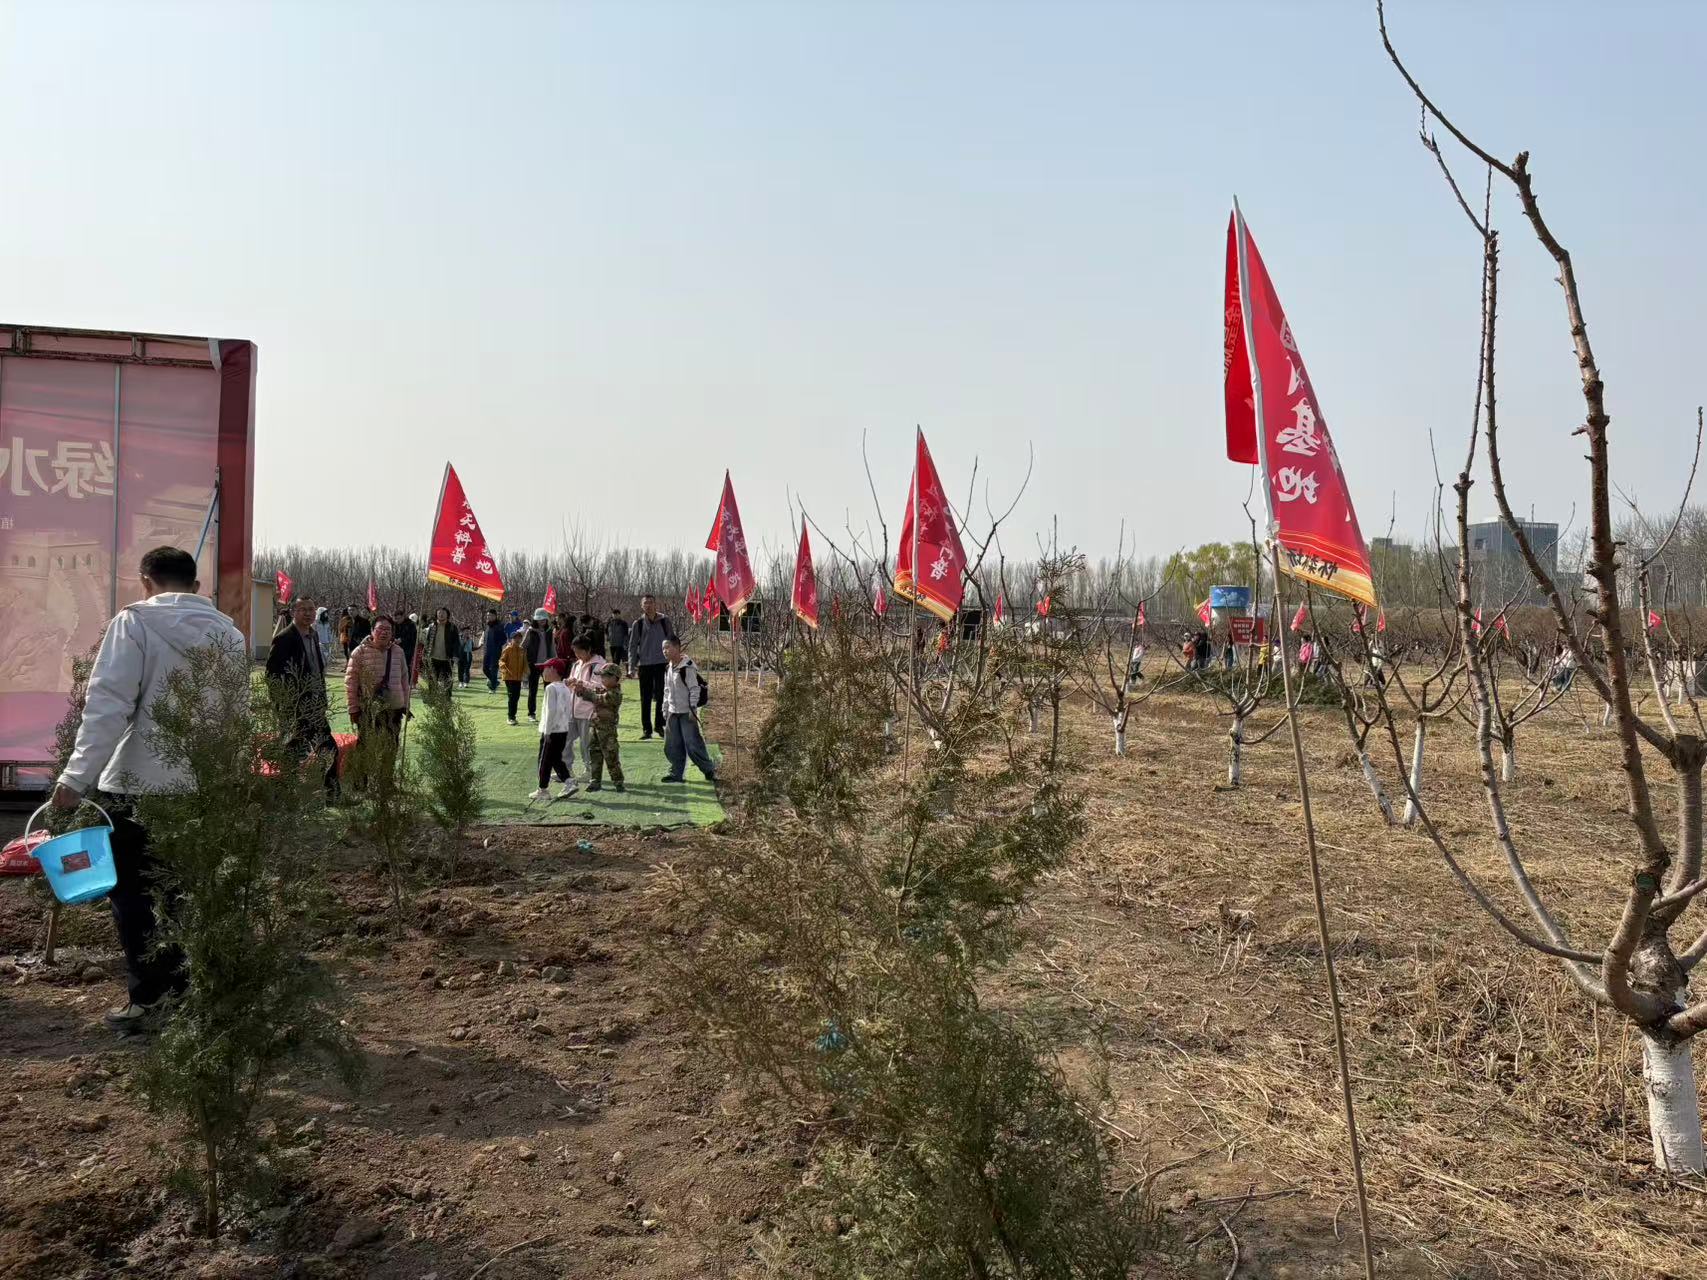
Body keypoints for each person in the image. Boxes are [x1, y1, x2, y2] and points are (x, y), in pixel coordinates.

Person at [52, 545, 247, 1033]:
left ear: (145, 581)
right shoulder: (229, 635)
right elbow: (235, 717)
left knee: (136, 897)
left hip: (139, 786)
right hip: (204, 785)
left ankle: (149, 999)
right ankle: (190, 994)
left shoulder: (134, 623)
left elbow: (108, 705)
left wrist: (75, 777)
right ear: (196, 586)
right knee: (189, 892)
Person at [265, 596, 338, 798]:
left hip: (315, 706)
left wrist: (322, 700)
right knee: (294, 752)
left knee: (328, 749)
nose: (308, 613)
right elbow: (272, 675)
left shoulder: (313, 635)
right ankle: (286, 794)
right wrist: (285, 705)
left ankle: (331, 794)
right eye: (303, 609)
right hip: (296, 708)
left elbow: (317, 671)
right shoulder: (284, 638)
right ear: (293, 612)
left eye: (311, 609)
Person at [345, 615, 412, 750]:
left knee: (390, 748)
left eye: (388, 629)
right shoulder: (360, 652)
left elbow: (404, 680)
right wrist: (353, 708)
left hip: (393, 709)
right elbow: (351, 683)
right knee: (367, 749)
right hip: (368, 709)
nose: (384, 632)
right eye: (380, 629)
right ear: (372, 630)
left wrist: (405, 704)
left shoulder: (398, 652)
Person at [660, 636, 717, 784]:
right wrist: (665, 708)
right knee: (672, 744)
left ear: (677, 647)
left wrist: (693, 708)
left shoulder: (687, 667)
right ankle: (676, 773)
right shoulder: (668, 668)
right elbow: (667, 690)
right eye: (663, 648)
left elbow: (694, 689)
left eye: (668, 647)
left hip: (686, 712)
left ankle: (709, 769)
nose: (665, 651)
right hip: (673, 711)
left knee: (692, 744)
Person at [630, 594, 677, 740]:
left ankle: (659, 725)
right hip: (645, 665)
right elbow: (632, 646)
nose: (648, 605)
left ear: (656, 604)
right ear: (642, 606)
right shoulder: (638, 624)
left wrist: (674, 660)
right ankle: (647, 729)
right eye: (645, 603)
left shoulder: (664, 621)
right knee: (645, 698)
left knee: (662, 695)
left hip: (662, 663)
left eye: (651, 602)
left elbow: (672, 641)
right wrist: (631, 666)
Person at [531, 658, 577, 801]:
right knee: (556, 758)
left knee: (544, 760)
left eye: (544, 669)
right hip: (563, 730)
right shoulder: (565, 688)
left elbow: (551, 710)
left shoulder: (550, 688)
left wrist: (547, 731)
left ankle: (543, 789)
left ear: (552, 669)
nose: (542, 672)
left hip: (551, 730)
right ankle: (569, 782)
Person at [580, 663, 626, 792]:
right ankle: (595, 781)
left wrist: (586, 693)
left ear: (614, 678)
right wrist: (580, 690)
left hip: (607, 731)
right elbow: (591, 695)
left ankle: (618, 782)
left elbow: (599, 699)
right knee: (594, 755)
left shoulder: (616, 693)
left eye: (605, 676)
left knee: (611, 757)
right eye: (601, 676)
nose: (602, 679)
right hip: (595, 728)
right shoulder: (602, 690)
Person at [565, 634, 600, 780]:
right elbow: (572, 685)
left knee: (586, 743)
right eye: (575, 652)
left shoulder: (598, 665)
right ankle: (566, 770)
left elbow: (600, 687)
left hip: (588, 711)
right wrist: (569, 682)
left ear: (588, 650)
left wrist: (582, 684)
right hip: (572, 709)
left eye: (579, 652)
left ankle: (589, 771)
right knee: (565, 740)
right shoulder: (576, 664)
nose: (577, 655)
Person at [523, 610, 555, 721]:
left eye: (544, 619)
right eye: (539, 619)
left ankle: (548, 712)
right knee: (533, 690)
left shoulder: (549, 631)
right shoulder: (530, 631)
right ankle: (531, 713)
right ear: (535, 620)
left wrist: (554, 661)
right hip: (534, 664)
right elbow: (523, 646)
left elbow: (552, 647)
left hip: (547, 664)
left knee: (548, 689)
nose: (542, 621)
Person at [421, 607, 459, 688]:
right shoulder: (432, 626)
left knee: (447, 682)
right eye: (439, 613)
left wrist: (455, 655)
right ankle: (432, 695)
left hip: (447, 659)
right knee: (432, 681)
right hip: (433, 658)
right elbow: (427, 641)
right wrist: (424, 654)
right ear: (436, 615)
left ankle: (447, 695)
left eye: (443, 613)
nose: (441, 615)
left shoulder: (452, 627)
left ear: (447, 615)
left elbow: (456, 643)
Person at [500, 629, 529, 724]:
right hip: (509, 677)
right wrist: (505, 670)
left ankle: (513, 716)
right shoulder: (508, 649)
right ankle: (510, 717)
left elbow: (525, 663)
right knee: (512, 697)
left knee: (516, 697)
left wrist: (527, 672)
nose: (517, 640)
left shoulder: (522, 650)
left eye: (519, 638)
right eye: (515, 638)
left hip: (518, 677)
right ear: (511, 639)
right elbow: (501, 661)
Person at [480, 608, 507, 692]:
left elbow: (504, 638)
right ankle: (495, 682)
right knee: (484, 668)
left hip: (495, 651)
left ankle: (493, 688)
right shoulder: (487, 626)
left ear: (495, 616)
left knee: (494, 669)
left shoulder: (500, 625)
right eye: (487, 615)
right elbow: (485, 638)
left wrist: (498, 645)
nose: (488, 617)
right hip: (487, 651)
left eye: (490, 615)